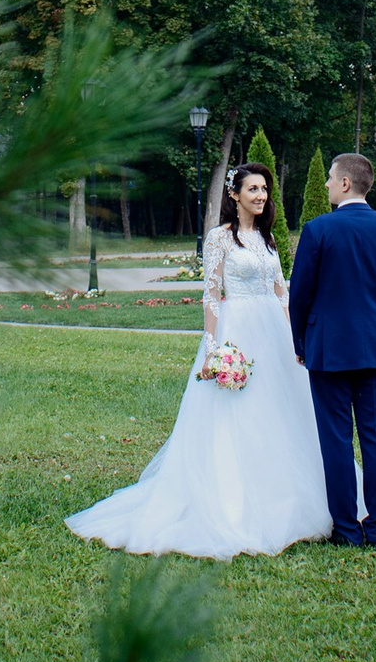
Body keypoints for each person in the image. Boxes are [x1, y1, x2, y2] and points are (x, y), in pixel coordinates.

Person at [64, 163, 332, 559]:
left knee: (282, 411)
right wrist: (212, 350)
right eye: (253, 189)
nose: (261, 196)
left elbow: (281, 293)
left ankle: (286, 495)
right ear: (234, 194)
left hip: (273, 333)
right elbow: (211, 295)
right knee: (236, 414)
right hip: (237, 330)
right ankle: (234, 503)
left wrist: (296, 340)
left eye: (264, 190)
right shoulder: (219, 239)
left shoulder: (268, 237)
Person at [288, 152, 376, 548]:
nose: (325, 184)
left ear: (345, 184)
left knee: (337, 440)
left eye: (329, 178)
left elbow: (300, 294)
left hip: (327, 350)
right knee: (375, 438)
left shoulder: (317, 230)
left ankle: (346, 529)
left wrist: (301, 344)